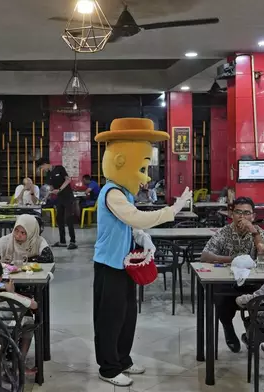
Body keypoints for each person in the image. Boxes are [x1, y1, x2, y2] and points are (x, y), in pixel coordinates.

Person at [92, 118, 193, 387]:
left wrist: (141, 237)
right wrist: (172, 210)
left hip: (124, 263)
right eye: (142, 166)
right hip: (108, 265)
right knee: (110, 319)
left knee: (127, 315)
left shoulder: (124, 191)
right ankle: (108, 368)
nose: (146, 174)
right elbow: (134, 217)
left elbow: (129, 225)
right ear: (120, 160)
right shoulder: (112, 192)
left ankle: (123, 359)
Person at [200, 196, 264, 353]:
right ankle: (228, 328)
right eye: (238, 212)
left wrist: (254, 233)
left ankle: (253, 330)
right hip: (228, 282)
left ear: (253, 216)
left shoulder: (259, 232)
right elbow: (205, 256)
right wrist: (232, 259)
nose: (242, 217)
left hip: (253, 283)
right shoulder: (224, 232)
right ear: (231, 214)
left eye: (247, 213)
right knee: (219, 297)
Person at [0, 257, 38, 368]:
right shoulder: (8, 297)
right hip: (5, 332)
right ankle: (20, 361)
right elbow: (34, 305)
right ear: (0, 278)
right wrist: (12, 293)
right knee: (29, 320)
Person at [37, 158, 77, 250]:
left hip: (67, 197)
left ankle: (72, 241)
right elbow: (50, 187)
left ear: (45, 163)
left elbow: (68, 180)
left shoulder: (59, 168)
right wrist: (46, 196)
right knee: (59, 219)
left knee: (69, 218)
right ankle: (62, 241)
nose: (43, 169)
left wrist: (59, 190)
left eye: (42, 167)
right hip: (59, 198)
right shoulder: (49, 174)